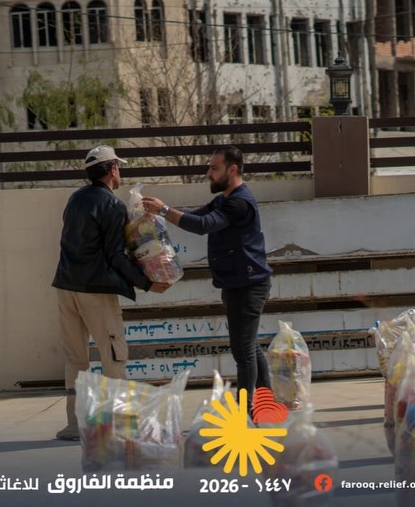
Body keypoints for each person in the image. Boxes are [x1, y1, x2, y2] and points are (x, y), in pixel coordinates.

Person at [52, 145, 170, 440]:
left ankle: (74, 425)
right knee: (113, 355)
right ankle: (120, 424)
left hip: (66, 286)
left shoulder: (75, 199)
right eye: (119, 167)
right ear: (112, 169)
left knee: (75, 359)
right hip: (96, 291)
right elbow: (116, 255)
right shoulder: (112, 205)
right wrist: (147, 283)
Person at [142, 145, 273, 410]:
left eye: (214, 168)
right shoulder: (225, 199)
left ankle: (245, 411)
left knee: (243, 351)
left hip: (248, 286)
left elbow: (204, 226)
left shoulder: (239, 202)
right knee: (249, 346)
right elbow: (196, 216)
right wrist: (160, 213)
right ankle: (265, 403)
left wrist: (164, 210)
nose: (208, 173)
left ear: (232, 170)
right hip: (238, 283)